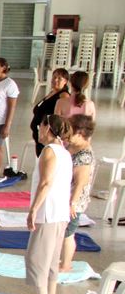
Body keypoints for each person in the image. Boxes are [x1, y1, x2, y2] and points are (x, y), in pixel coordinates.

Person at [24, 114, 73, 294]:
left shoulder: (49, 152)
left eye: (40, 127)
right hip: (59, 212)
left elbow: (46, 183)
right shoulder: (64, 152)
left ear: (48, 128)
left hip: (49, 211)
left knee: (36, 258)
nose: (38, 130)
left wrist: (34, 209)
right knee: (52, 259)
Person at [61, 115, 95, 272]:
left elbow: (81, 183)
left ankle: (66, 265)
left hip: (74, 201)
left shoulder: (85, 155)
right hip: (64, 196)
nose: (67, 135)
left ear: (81, 134)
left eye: (70, 132)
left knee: (68, 233)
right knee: (63, 231)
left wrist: (72, 204)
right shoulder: (71, 146)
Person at [29, 68, 70, 157]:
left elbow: (62, 117)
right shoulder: (52, 92)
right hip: (40, 134)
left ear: (65, 81)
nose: (55, 80)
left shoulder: (63, 95)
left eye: (59, 78)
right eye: (54, 77)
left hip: (49, 136)